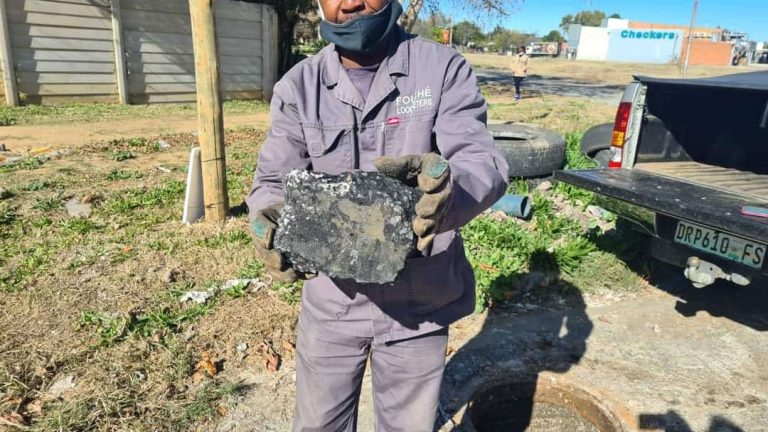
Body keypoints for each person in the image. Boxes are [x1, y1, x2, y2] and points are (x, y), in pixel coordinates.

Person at [246, 0, 509, 430]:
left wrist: (445, 195)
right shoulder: (298, 87)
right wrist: (268, 218)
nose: (350, 2)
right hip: (333, 302)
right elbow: (272, 181)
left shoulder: (441, 70)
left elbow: (482, 161)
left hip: (420, 303)